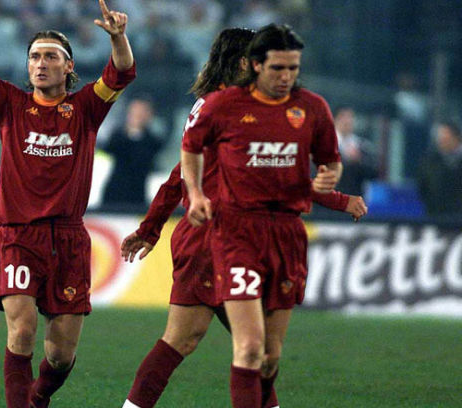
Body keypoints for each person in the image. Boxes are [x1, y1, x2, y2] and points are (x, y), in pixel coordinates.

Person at [122, 27, 364, 408]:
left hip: (232, 235)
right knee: (229, 344)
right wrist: (337, 199)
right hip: (216, 237)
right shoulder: (224, 108)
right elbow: (186, 173)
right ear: (242, 63)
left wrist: (151, 228)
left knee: (247, 349)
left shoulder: (222, 105)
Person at [0, 0, 135, 407]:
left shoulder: (87, 107)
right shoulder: (10, 104)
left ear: (69, 67)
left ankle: (37, 398)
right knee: (21, 331)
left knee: (60, 356)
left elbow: (123, 71)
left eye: (51, 57)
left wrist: (117, 37)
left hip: (68, 241)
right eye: (35, 56)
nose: (41, 63)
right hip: (19, 236)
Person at [181, 24, 343, 408]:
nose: (286, 76)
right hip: (236, 232)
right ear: (255, 65)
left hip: (286, 233)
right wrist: (196, 193)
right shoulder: (224, 105)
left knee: (270, 358)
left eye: (293, 68)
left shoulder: (312, 108)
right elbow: (190, 147)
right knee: (250, 347)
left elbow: (330, 160)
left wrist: (330, 177)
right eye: (277, 68)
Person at [102, 96, 164, 207]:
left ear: (150, 115)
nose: (138, 115)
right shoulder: (116, 138)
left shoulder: (153, 143)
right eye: (135, 111)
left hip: (137, 197)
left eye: (142, 112)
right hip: (113, 197)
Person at [417, 121, 462, 216]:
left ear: (457, 138)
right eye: (440, 139)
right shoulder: (429, 162)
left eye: (445, 138)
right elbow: (423, 188)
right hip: (437, 215)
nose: (441, 142)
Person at [334, 106, 378, 195]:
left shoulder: (361, 145)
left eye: (351, 117)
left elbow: (374, 173)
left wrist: (359, 161)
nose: (348, 121)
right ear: (335, 120)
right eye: (343, 117)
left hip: (354, 197)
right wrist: (346, 160)